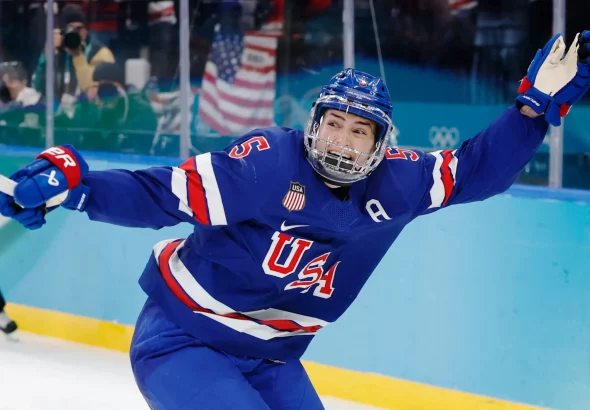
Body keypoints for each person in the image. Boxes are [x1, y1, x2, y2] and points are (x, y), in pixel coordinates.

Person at [0, 32, 589, 409]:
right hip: (185, 342)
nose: (342, 137)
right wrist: (75, 188)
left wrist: (533, 109)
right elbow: (160, 195)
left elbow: (479, 169)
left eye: (360, 130)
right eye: (333, 122)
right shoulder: (264, 164)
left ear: (383, 143)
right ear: (313, 121)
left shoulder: (402, 181)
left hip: (273, 358)